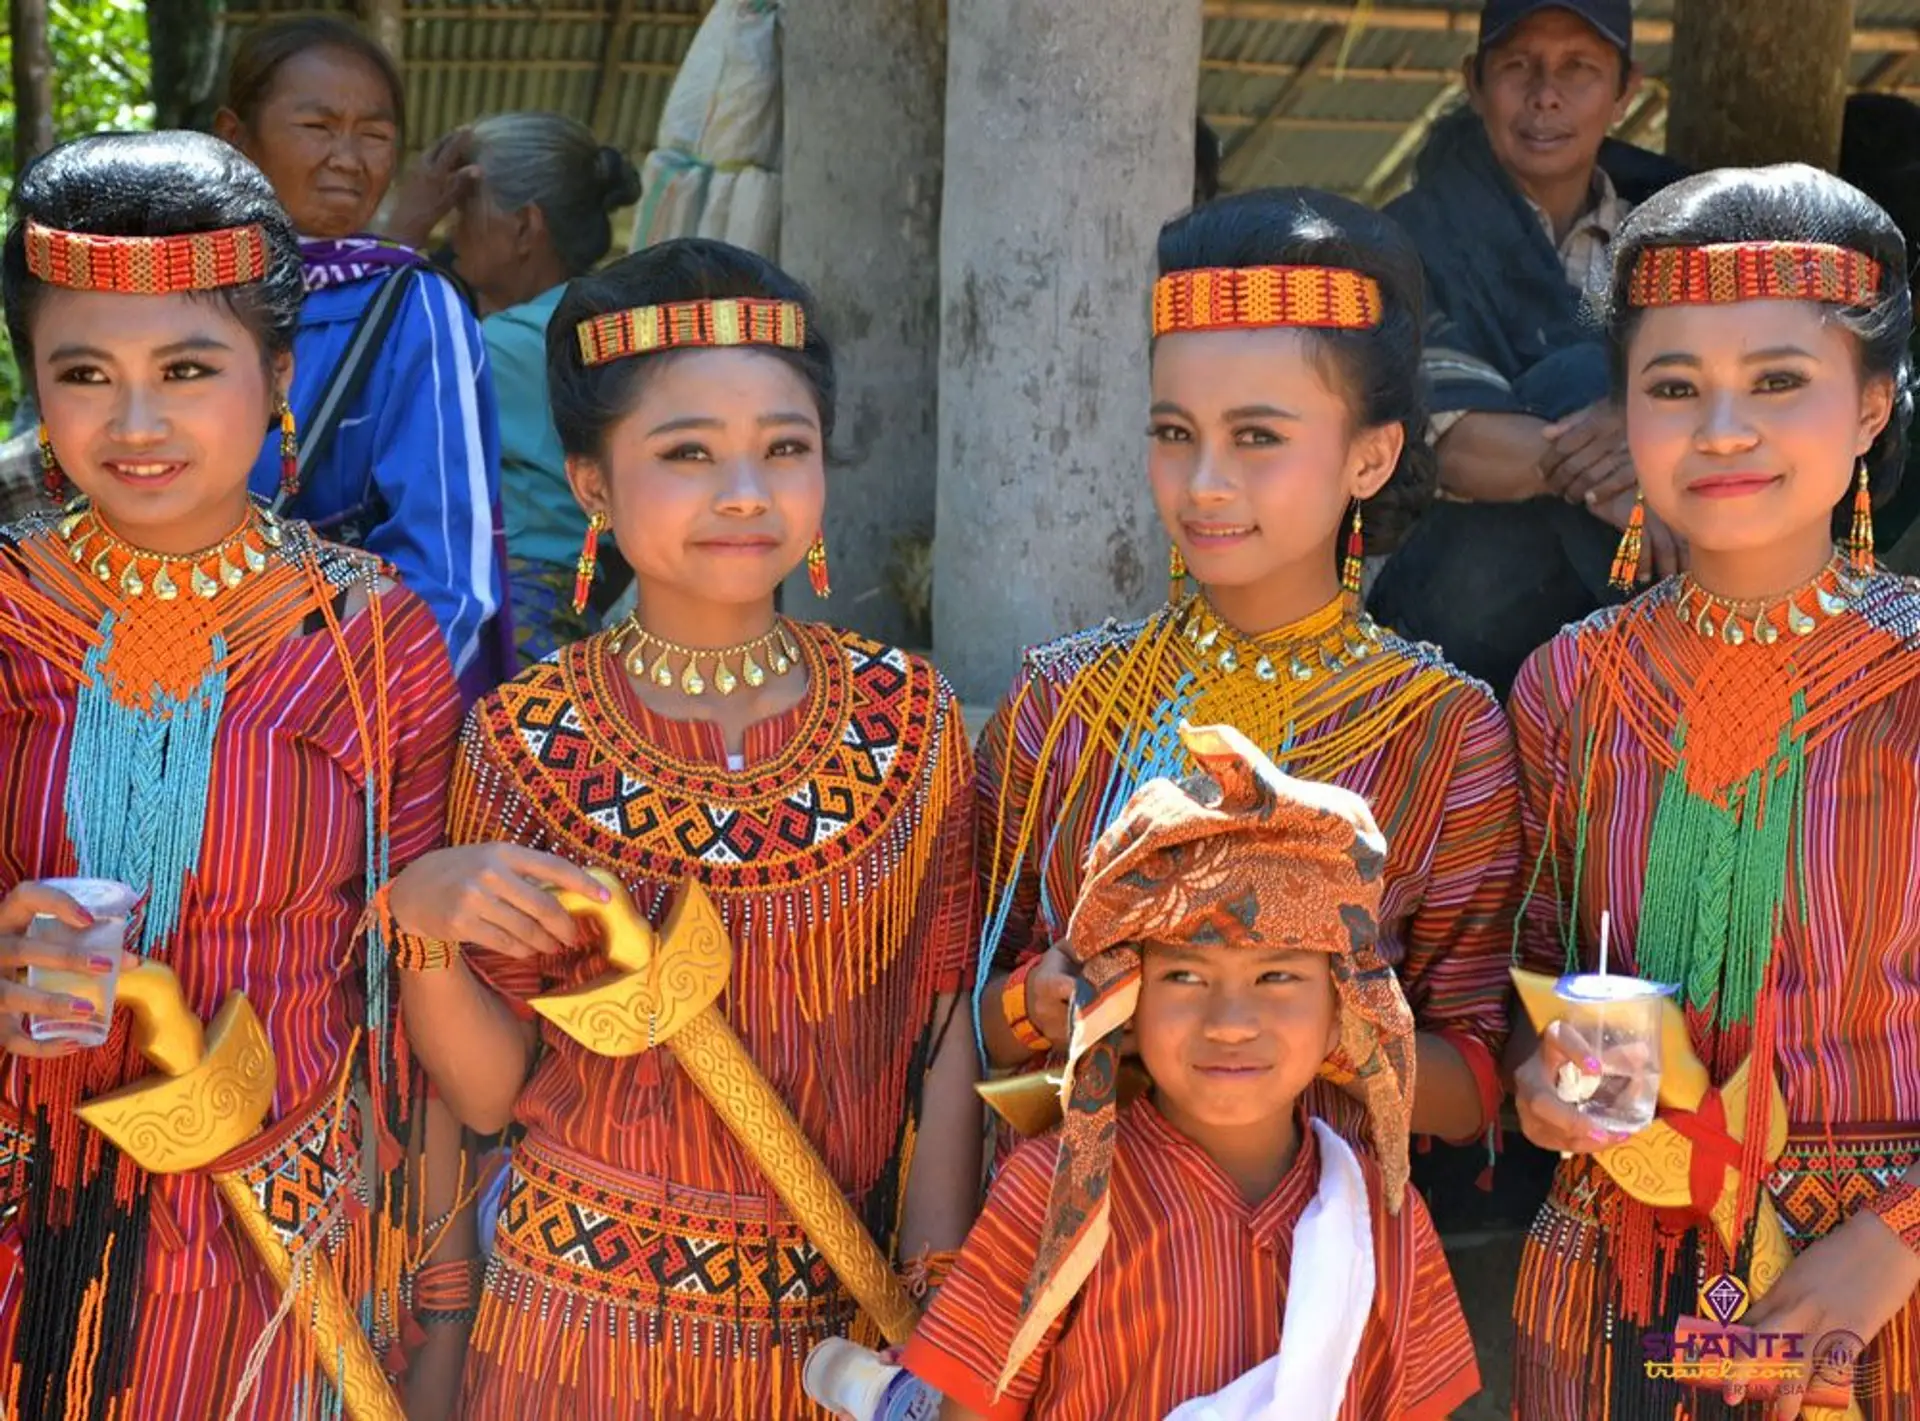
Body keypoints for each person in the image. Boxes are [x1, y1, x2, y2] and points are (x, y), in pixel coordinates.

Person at [384, 237, 983, 1417]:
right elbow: (495, 1094)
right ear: (594, 484)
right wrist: (424, 925)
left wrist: (937, 1304)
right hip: (572, 1333)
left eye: (785, 448)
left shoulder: (911, 719)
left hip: (834, 1335)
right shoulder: (523, 738)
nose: (745, 491)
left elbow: (947, 1023)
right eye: (688, 452)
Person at [0, 131, 471, 1421]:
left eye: (189, 368)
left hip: (283, 1250)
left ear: (277, 374)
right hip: (25, 1241)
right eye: (84, 371)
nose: (136, 422)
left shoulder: (369, 639)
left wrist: (440, 1293)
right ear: (34, 384)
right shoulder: (5, 618)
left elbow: (411, 1012)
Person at [974, 188, 1520, 1160]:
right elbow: (965, 1014)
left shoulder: (1442, 732)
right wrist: (1037, 1001)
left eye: (1258, 437)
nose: (1205, 482)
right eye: (1175, 433)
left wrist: (1320, 1024)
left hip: (1326, 1267)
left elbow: (1476, 1083)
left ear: (1372, 454)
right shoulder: (1063, 702)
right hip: (1072, 1262)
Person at [1507, 164, 1920, 1418]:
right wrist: (1539, 1082)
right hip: (1616, 1284)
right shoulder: (1569, 685)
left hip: (1877, 1301)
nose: (1723, 427)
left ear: (1873, 408)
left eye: (1780, 382)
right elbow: (1527, 979)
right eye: (1674, 386)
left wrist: (1893, 1242)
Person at [905, 722, 1481, 1420]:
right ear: (1124, 994)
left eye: (1276, 974)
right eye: (1184, 973)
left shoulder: (1382, 1218)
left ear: (1343, 1010)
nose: (1230, 1020)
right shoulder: (1052, 1197)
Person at [1372, 0, 1687, 696]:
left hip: (1650, 621)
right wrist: (1632, 461)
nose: (1546, 93)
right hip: (1461, 619)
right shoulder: (1408, 242)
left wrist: (1635, 430)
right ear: (1474, 81)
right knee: (1578, 375)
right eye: (1518, 65)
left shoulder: (1679, 244)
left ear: (1625, 88)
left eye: (1578, 68)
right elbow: (1457, 445)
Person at [214, 16, 508, 695]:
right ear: (236, 136)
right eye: (317, 127)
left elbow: (448, 581)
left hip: (330, 722)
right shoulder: (183, 290)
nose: (347, 156)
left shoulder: (417, 307)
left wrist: (336, 741)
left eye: (373, 135)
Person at [389, 113, 643, 665]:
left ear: (525, 227)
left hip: (509, 622)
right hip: (571, 613)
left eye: (464, 213)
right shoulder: (606, 327)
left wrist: (401, 230)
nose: (452, 234)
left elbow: (358, 385)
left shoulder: (497, 351)